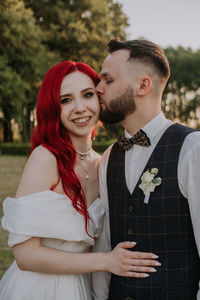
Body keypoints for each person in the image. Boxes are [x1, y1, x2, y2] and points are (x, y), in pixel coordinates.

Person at [0, 61, 159, 300]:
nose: (80, 108)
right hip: (39, 288)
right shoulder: (45, 157)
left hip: (82, 287)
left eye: (87, 95)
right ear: (53, 108)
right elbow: (25, 256)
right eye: (66, 100)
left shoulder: (103, 162)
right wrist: (107, 261)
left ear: (100, 99)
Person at [92, 39, 200, 300]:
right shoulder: (108, 157)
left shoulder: (192, 149)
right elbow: (105, 243)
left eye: (108, 80)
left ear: (143, 85)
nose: (98, 88)